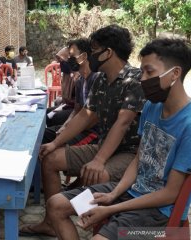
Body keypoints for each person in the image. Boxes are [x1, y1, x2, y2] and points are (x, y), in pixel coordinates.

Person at [47, 38, 191, 240]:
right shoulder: (152, 106)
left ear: (175, 73)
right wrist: (113, 195)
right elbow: (139, 158)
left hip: (158, 215)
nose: (142, 79)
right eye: (142, 71)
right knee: (56, 205)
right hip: (129, 191)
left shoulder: (188, 125)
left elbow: (170, 194)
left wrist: (111, 209)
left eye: (149, 72)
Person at [20, 24, 145, 237]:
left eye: (94, 50)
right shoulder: (101, 80)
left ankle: (88, 217)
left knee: (99, 174)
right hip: (104, 146)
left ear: (108, 52)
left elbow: (122, 123)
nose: (90, 56)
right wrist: (55, 143)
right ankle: (52, 221)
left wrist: (99, 160)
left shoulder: (134, 80)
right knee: (50, 158)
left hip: (129, 153)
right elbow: (86, 115)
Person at [42, 38, 100, 170]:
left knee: (50, 154)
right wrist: (65, 126)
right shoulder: (80, 81)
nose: (68, 61)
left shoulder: (96, 80)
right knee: (43, 135)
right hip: (78, 127)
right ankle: (38, 183)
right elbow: (76, 110)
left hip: (92, 133)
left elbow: (89, 118)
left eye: (71, 56)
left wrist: (63, 135)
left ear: (84, 56)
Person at [45, 45, 76, 127]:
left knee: (54, 117)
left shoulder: (76, 76)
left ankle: (55, 133)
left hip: (74, 108)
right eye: (59, 61)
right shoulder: (66, 75)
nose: (60, 63)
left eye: (62, 60)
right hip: (67, 104)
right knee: (46, 112)